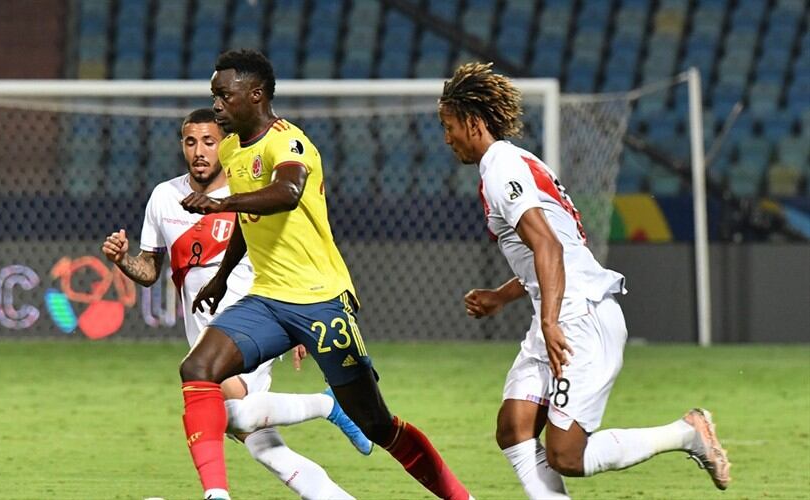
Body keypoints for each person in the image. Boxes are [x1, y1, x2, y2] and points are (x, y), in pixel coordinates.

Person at [176, 49, 473, 500]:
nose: (216, 105)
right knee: (197, 367)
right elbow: (248, 221)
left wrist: (220, 203)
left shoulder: (290, 143)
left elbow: (287, 191)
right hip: (268, 300)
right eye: (213, 95)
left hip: (321, 301)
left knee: (376, 423)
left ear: (255, 95)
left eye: (223, 95)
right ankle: (217, 495)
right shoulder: (233, 148)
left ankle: (460, 497)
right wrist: (222, 276)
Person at [437, 62, 731, 499]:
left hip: (579, 319)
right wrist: (504, 296)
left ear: (474, 122)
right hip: (559, 311)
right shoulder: (516, 163)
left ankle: (686, 433)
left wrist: (552, 322)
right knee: (513, 428)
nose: (447, 138)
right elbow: (559, 252)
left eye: (449, 126)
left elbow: (550, 250)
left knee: (567, 456)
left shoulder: (502, 169)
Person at [101, 108, 372, 500]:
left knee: (223, 409)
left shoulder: (248, 194)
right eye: (190, 142)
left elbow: (287, 252)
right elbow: (149, 270)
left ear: (224, 143)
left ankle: (324, 408)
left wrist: (296, 323)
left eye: (209, 141)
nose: (199, 151)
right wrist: (123, 259)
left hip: (251, 327)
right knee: (263, 444)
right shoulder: (164, 197)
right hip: (204, 337)